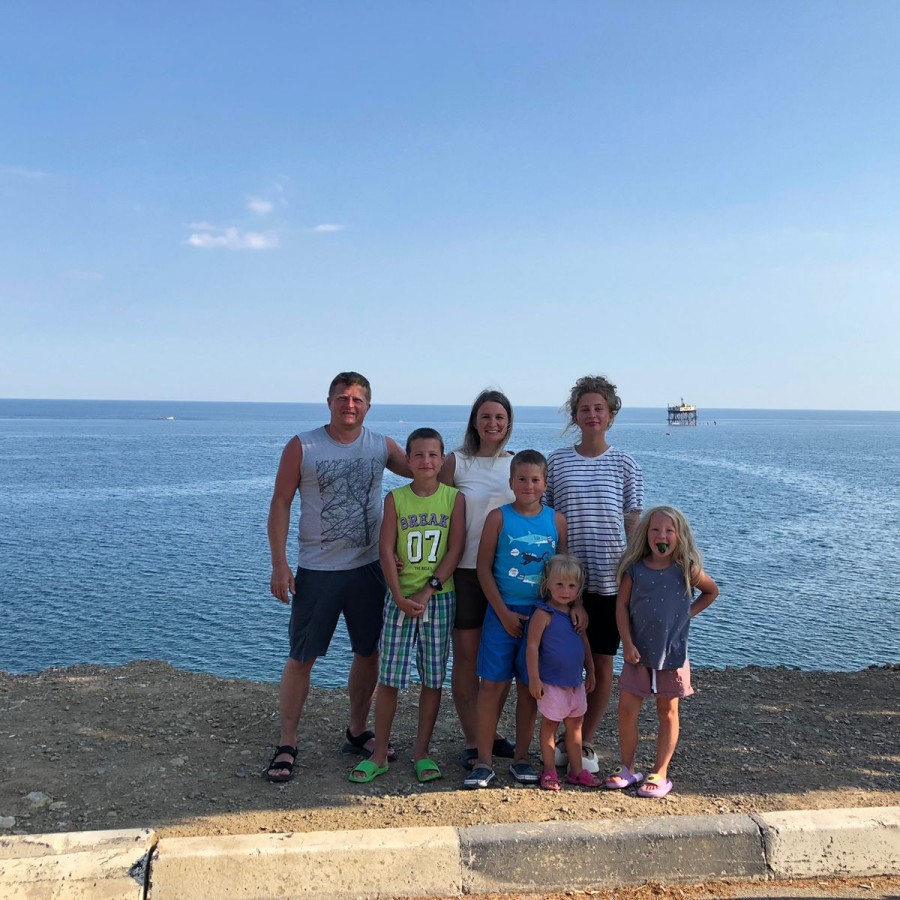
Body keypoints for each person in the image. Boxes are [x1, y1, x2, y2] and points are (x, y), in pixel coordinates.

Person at [265, 372, 410, 782]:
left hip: (368, 568)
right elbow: (280, 502)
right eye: (342, 398)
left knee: (368, 652)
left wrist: (483, 462)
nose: (350, 405)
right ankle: (287, 742)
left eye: (357, 399)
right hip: (318, 570)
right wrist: (279, 563)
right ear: (329, 401)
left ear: (368, 406)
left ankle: (357, 730)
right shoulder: (303, 446)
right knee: (301, 657)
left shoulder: (381, 445)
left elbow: (426, 472)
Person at [349, 428, 466, 784]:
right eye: (418, 454)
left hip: (439, 599)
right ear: (408, 459)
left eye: (433, 455)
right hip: (399, 600)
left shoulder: (453, 499)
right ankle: (379, 753)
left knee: (432, 679)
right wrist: (398, 595)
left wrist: (428, 591)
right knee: (390, 678)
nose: (426, 461)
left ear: (442, 460)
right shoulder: (396, 498)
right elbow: (386, 548)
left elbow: (455, 549)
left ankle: (422, 752)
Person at [545, 374, 644, 752]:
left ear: (611, 414)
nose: (592, 414)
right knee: (562, 662)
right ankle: (557, 736)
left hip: (609, 580)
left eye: (599, 408)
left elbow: (633, 522)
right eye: (584, 408)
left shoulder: (625, 464)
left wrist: (638, 574)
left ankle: (583, 740)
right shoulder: (557, 462)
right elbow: (548, 518)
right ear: (575, 415)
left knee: (601, 664)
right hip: (565, 582)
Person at [464, 450, 567, 789]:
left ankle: (521, 757)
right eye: (521, 479)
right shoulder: (498, 518)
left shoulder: (556, 521)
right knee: (492, 686)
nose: (528, 485)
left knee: (529, 688)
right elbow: (483, 569)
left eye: (535, 480)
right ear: (510, 482)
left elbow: (564, 572)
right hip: (502, 612)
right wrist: (503, 612)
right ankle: (483, 760)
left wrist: (572, 607)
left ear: (545, 484)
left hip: (541, 616)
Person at [605, 506, 719, 798]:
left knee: (667, 711)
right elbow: (621, 607)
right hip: (637, 654)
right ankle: (628, 768)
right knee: (627, 710)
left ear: (680, 535)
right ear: (646, 534)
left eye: (669, 530)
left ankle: (660, 772)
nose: (662, 535)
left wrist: (686, 615)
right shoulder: (634, 570)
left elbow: (711, 591)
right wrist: (627, 643)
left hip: (672, 654)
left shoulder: (686, 569)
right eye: (655, 529)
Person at [438, 390, 517, 770]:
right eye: (485, 416)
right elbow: (434, 509)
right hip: (465, 572)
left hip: (506, 574)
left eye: (499, 417)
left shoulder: (516, 464)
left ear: (509, 422)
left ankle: (491, 731)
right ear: (474, 421)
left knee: (499, 658)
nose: (492, 423)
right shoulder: (457, 462)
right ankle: (473, 739)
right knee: (467, 658)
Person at [526, 554, 599, 790]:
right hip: (552, 682)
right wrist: (534, 678)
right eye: (559, 584)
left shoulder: (577, 615)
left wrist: (591, 671)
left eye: (571, 586)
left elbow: (584, 643)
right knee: (550, 725)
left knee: (575, 726)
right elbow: (532, 646)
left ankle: (576, 770)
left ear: (579, 588)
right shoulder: (543, 614)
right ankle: (549, 770)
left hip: (575, 682)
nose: (565, 591)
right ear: (547, 584)